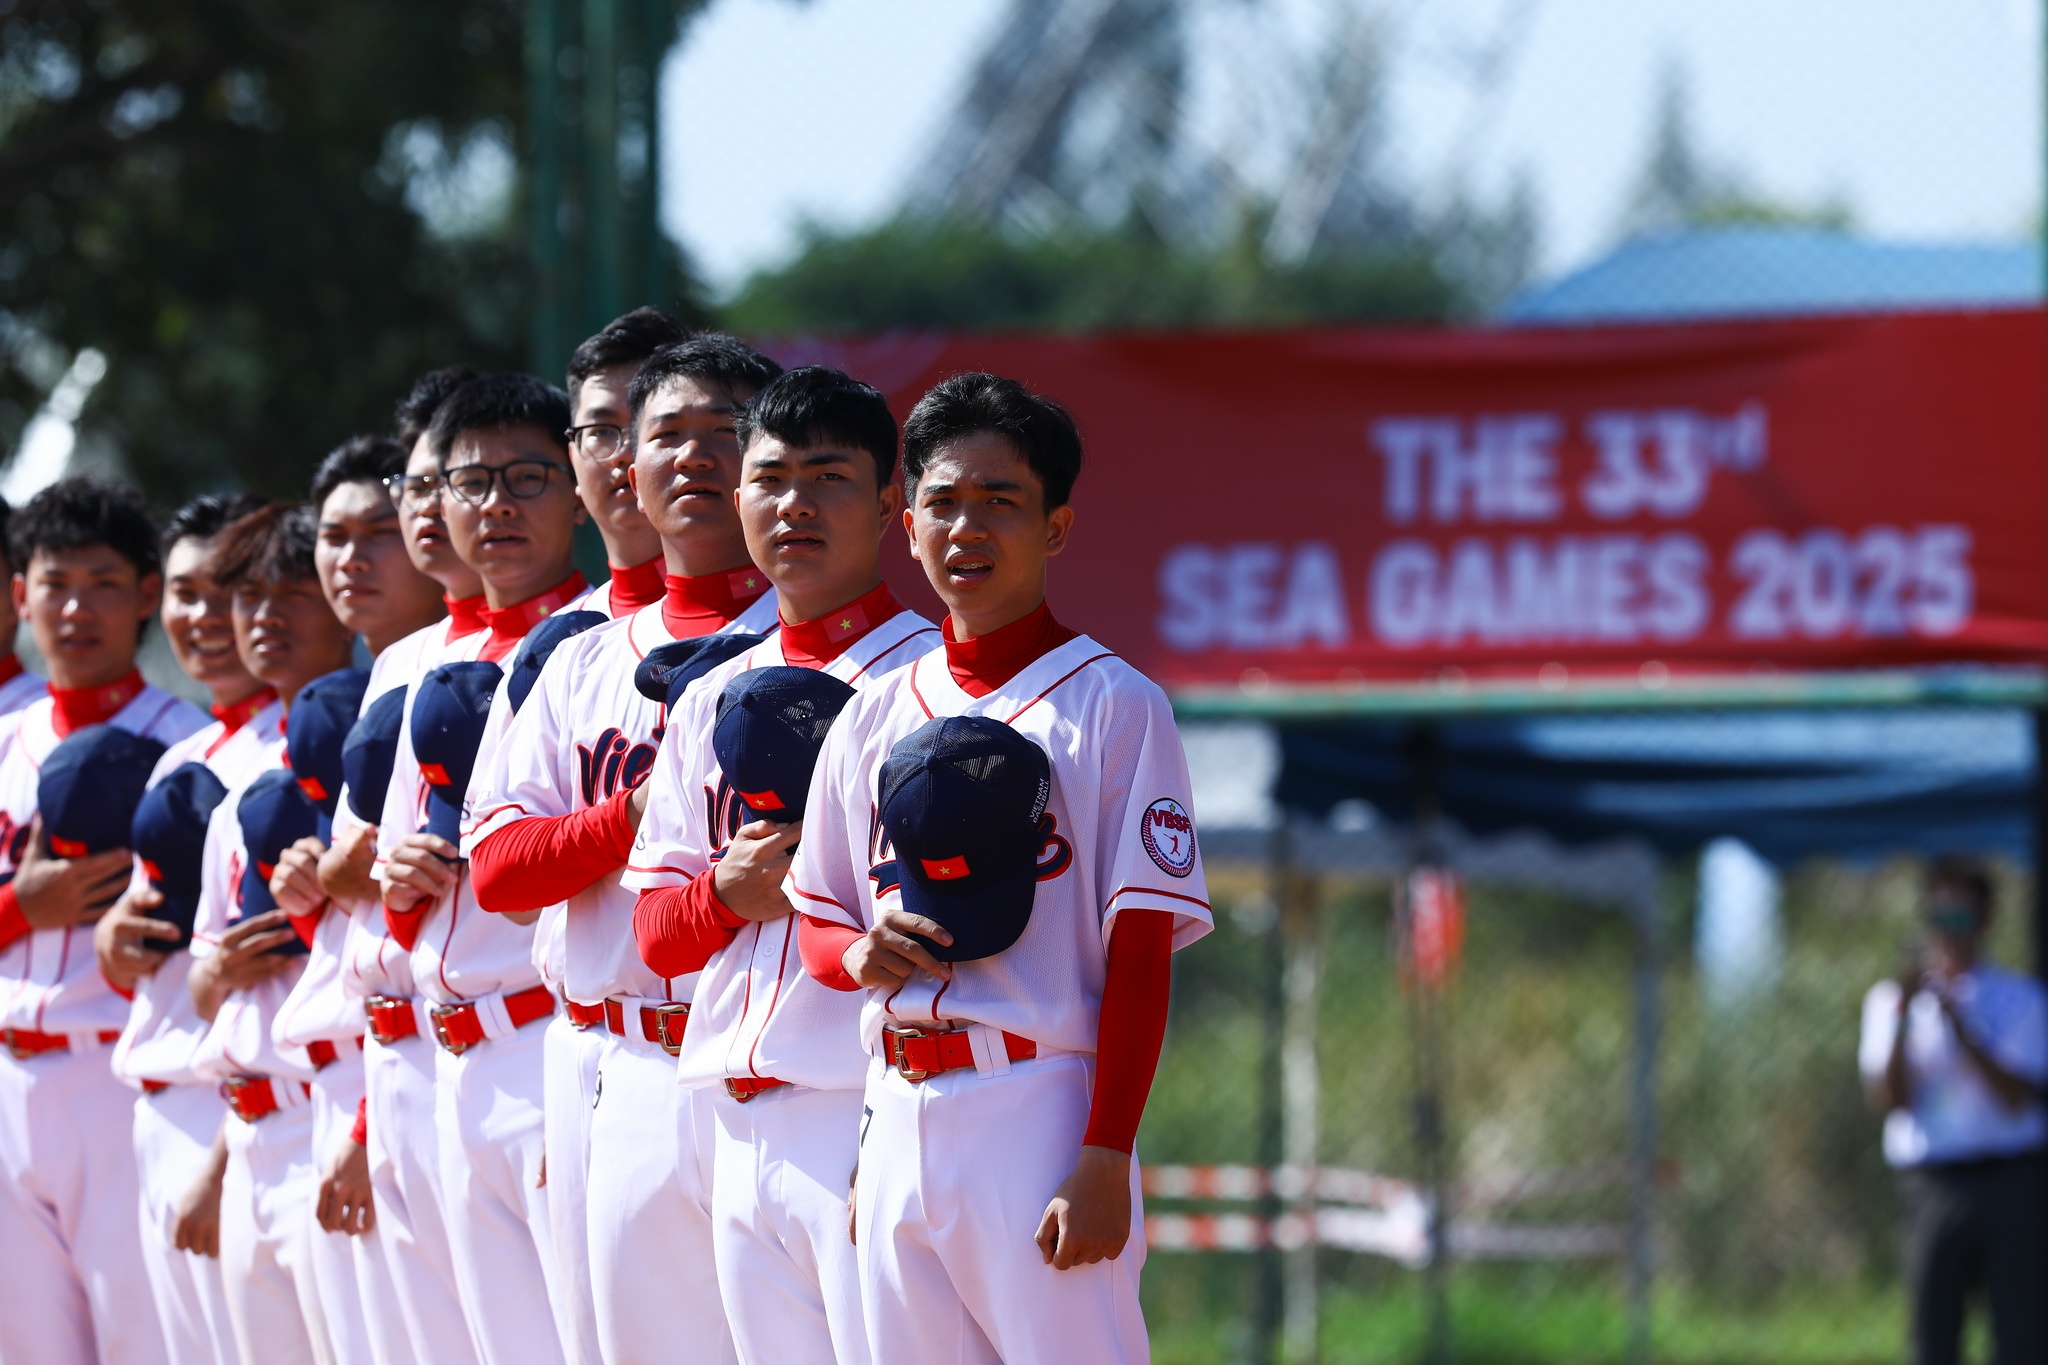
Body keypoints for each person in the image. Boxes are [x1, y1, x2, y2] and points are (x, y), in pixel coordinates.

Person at [790, 373, 1211, 1364]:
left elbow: (1142, 951)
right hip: (892, 1107)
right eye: (941, 501)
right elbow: (816, 918)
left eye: (999, 501)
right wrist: (857, 954)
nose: (965, 526)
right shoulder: (873, 712)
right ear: (908, 523)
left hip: (1038, 1107)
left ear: (1055, 528)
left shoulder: (1114, 703)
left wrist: (1104, 1153)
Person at [462, 334, 785, 1365]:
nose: (693, 459)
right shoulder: (577, 657)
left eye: (725, 435)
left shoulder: (830, 653)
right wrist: (629, 818)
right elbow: (502, 875)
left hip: (773, 1068)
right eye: (665, 438)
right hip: (619, 1061)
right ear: (622, 470)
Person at [624, 364, 938, 1365]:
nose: (792, 504)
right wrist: (725, 892)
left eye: (827, 478)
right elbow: (652, 930)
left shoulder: (929, 685)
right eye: (768, 479)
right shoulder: (713, 688)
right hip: (729, 1120)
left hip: (866, 1105)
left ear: (890, 502)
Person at [377, 370, 595, 1365]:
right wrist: (385, 879)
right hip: (433, 1053)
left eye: (527, 477)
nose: (495, 505)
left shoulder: (593, 644)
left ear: (585, 486)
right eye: (471, 482)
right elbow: (383, 885)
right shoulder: (408, 664)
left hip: (546, 1035)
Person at [302, 368, 495, 1365]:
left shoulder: (569, 642)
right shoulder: (398, 662)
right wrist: (365, 864)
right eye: (412, 491)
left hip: (514, 1043)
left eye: (434, 489)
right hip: (401, 1047)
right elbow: (347, 871)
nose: (425, 513)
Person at [0, 477, 209, 1365]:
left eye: (104, 582)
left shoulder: (188, 745)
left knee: (146, 1341)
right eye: (55, 583)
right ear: (20, 595)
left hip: (121, 1081)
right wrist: (21, 905)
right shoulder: (6, 734)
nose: (76, 607)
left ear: (148, 596)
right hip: (11, 1078)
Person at [98, 490, 279, 1365]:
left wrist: (223, 1149)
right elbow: (152, 963)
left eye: (229, 591)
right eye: (186, 592)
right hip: (154, 1105)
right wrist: (112, 943)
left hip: (238, 1109)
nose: (206, 616)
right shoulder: (184, 759)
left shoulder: (303, 750)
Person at [185, 502, 363, 1365]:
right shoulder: (237, 779)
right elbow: (201, 985)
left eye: (293, 593)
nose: (267, 617)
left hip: (344, 1107)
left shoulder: (381, 737)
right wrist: (217, 967)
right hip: (249, 1121)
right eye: (248, 597)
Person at [1860, 857, 2046, 1365]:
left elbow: (2016, 1098)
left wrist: (1961, 1028)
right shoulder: (1891, 1003)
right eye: (1939, 917)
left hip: (2009, 1184)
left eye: (1959, 917)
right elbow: (1891, 1102)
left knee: (2021, 1335)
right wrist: (1904, 1016)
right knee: (1933, 1337)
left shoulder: (2020, 999)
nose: (1948, 932)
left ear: (1985, 920)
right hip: (1932, 1185)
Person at [566, 306, 692, 620]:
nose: (625, 453)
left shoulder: (781, 622)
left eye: (654, 427)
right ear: (572, 458)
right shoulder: (556, 645)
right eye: (601, 431)